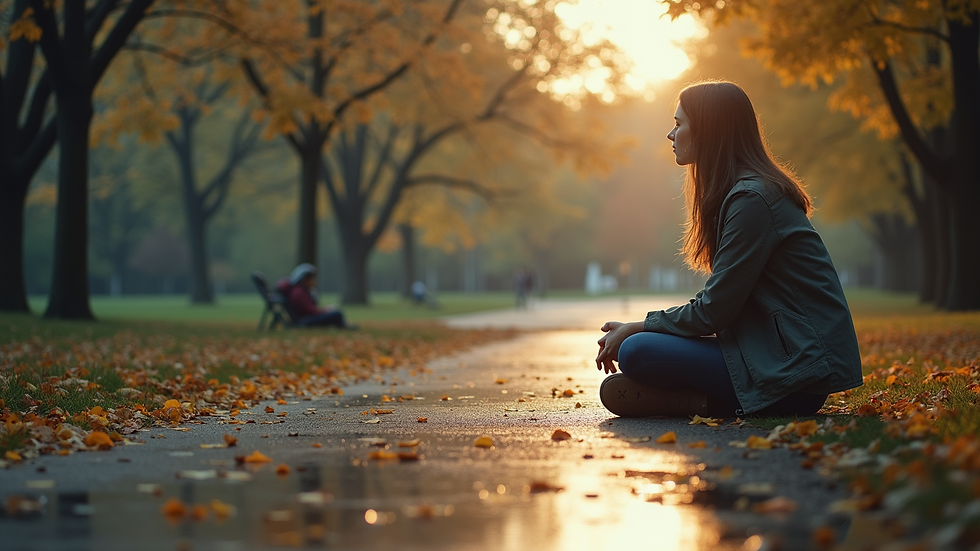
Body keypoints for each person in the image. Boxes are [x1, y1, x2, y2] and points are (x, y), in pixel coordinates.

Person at [595, 81, 862, 419]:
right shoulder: (743, 194)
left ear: (709, 130)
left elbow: (713, 310)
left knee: (637, 350)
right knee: (640, 350)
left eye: (679, 124)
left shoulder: (753, 199)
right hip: (770, 356)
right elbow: (720, 304)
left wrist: (638, 326)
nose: (670, 134)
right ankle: (700, 399)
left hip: (795, 375)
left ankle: (697, 402)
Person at [278, 263, 356, 329]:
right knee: (337, 314)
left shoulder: (301, 291)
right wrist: (328, 310)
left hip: (305, 318)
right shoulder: (299, 293)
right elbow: (312, 312)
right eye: (312, 279)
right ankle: (343, 326)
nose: (314, 282)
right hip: (304, 321)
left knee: (335, 313)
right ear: (304, 280)